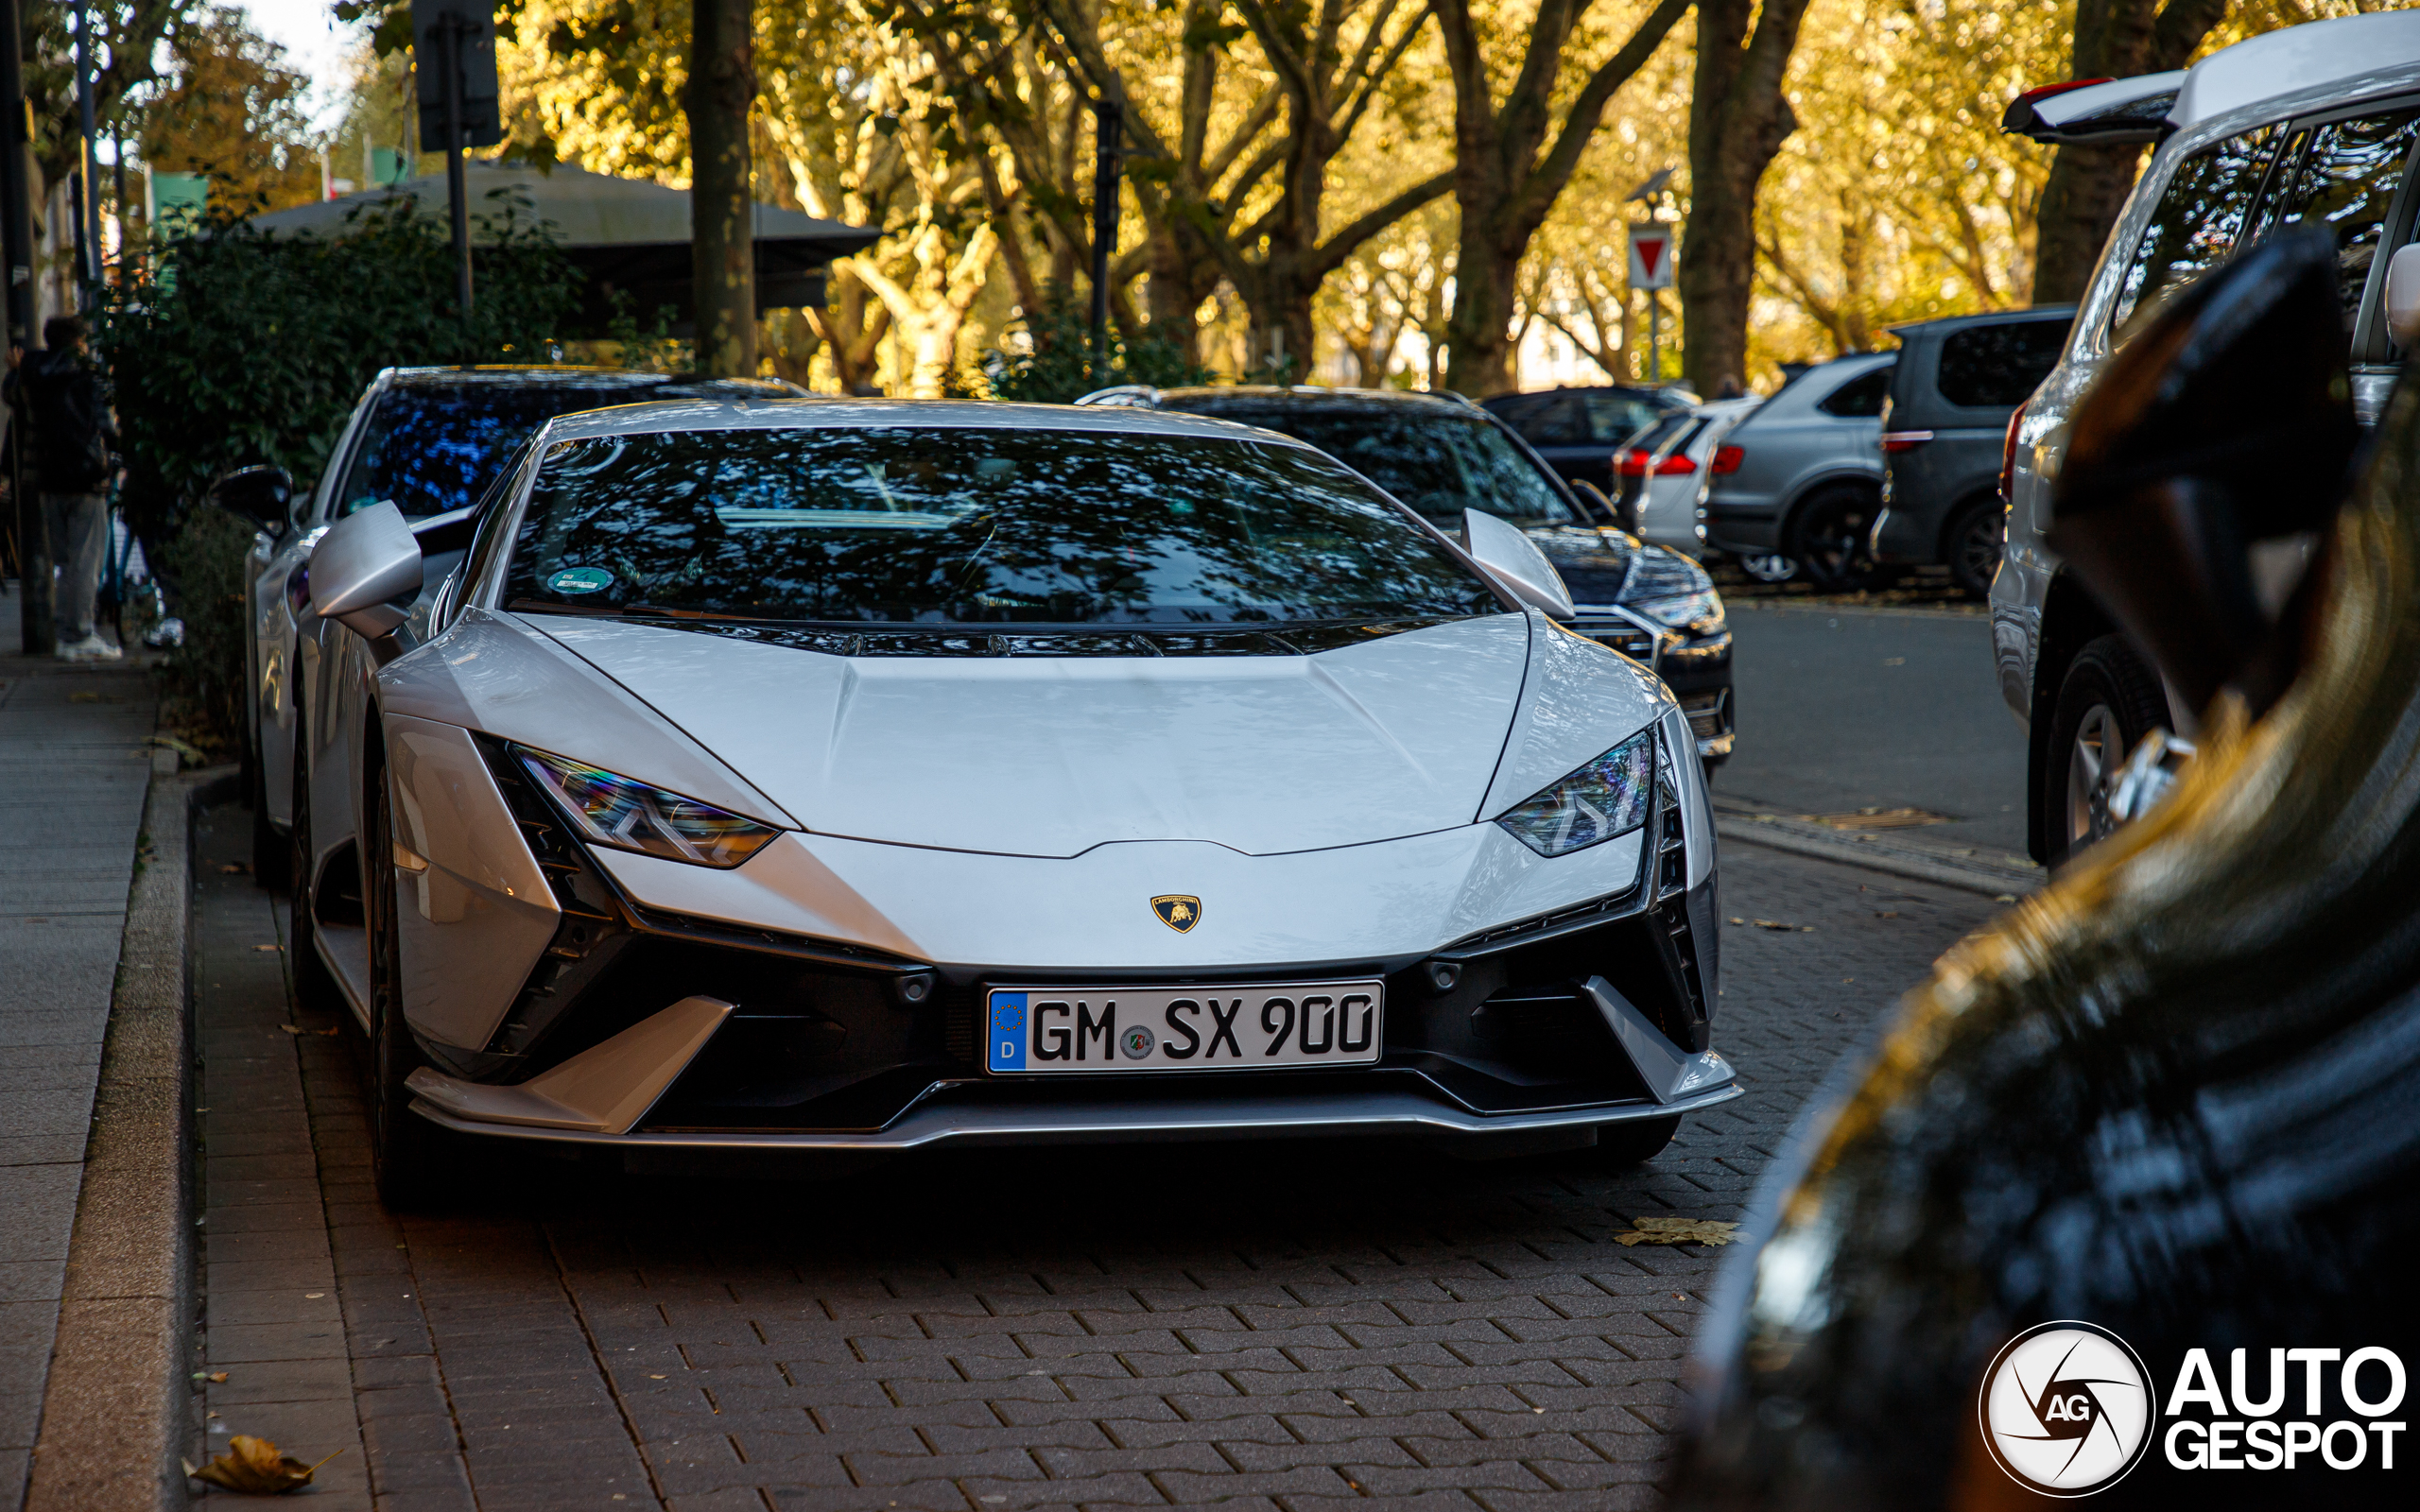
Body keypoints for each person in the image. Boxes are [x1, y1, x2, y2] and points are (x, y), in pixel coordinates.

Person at [7, 316, 121, 660]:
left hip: (47, 477)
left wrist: (16, 368)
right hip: (87, 478)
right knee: (86, 558)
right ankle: (80, 632)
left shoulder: (32, 372)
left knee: (64, 560)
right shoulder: (89, 373)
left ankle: (63, 629)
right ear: (78, 341)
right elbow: (105, 426)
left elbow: (11, 395)